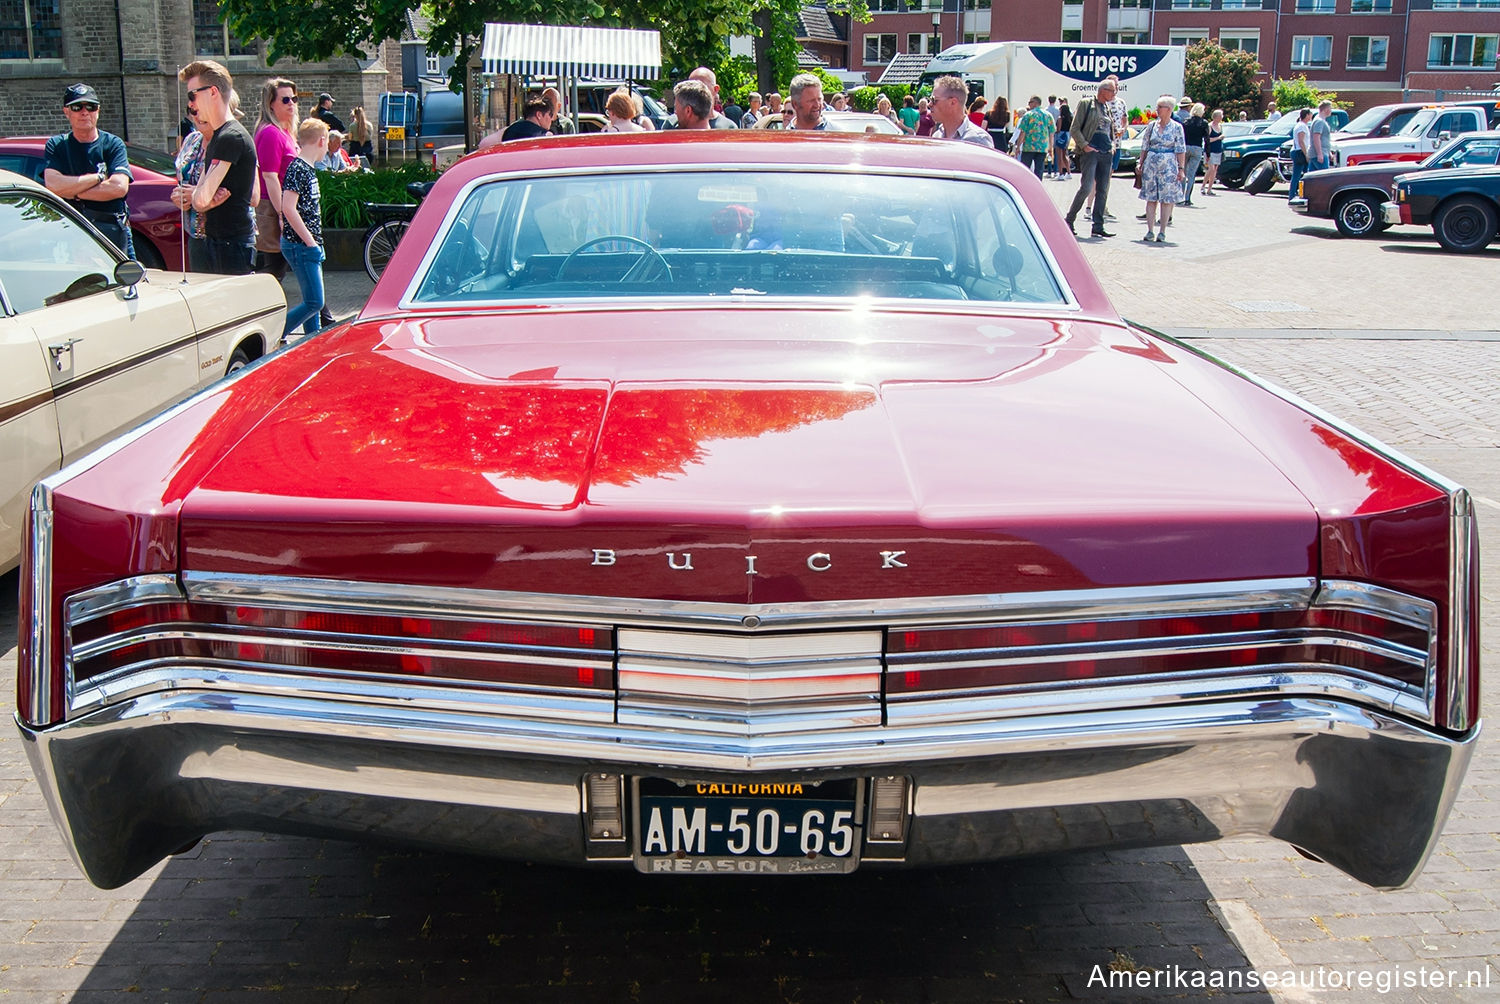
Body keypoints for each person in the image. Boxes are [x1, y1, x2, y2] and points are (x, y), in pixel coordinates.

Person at [175, 61, 258, 274]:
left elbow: (200, 200)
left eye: (193, 96)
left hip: (232, 246)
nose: (191, 105)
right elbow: (201, 198)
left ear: (213, 92)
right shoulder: (218, 137)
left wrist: (200, 198)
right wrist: (201, 197)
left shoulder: (231, 137)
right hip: (217, 242)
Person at [43, 83, 135, 258]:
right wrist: (99, 177)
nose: (85, 112)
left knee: (126, 282)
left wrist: (73, 192)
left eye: (91, 107)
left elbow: (118, 187)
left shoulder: (113, 144)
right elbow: (53, 185)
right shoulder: (57, 146)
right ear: (66, 112)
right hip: (72, 231)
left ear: (98, 110)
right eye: (77, 107)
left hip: (111, 230)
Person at [280, 117, 328, 339]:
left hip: (306, 244)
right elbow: (288, 208)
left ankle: (313, 342)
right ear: (322, 140)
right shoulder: (299, 168)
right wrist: (310, 242)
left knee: (313, 304)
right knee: (314, 301)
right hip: (301, 245)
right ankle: (277, 335)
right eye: (326, 142)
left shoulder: (305, 168)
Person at [253, 77, 297, 281]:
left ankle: (322, 312)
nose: (292, 104)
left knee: (284, 266)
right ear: (271, 103)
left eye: (294, 99)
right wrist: (282, 213)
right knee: (277, 267)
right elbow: (269, 176)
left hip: (284, 205)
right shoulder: (271, 133)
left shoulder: (284, 131)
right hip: (273, 206)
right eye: (285, 100)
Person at [1064, 79, 1117, 238]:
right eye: (1112, 91)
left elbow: (1110, 130)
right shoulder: (1087, 103)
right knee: (1087, 187)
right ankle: (1069, 219)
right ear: (1103, 90)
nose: (1114, 94)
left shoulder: (1107, 107)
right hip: (1090, 152)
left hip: (1106, 152)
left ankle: (1098, 226)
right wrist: (1085, 145)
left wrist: (1113, 145)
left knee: (1103, 190)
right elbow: (1074, 128)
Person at [1138, 96, 1187, 243]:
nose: (1157, 110)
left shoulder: (1177, 127)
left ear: (1169, 110)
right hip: (1151, 166)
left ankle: (1162, 231)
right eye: (1157, 106)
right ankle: (1150, 230)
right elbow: (1145, 146)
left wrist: (1181, 168)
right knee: (1151, 198)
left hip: (1169, 166)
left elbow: (1180, 149)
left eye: (1161, 107)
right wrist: (1140, 163)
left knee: (1166, 199)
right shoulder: (1152, 126)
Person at [174, 105, 212, 271]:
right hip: (194, 231)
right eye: (194, 111)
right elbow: (182, 177)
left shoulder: (229, 140)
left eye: (204, 109)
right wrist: (180, 196)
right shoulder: (191, 140)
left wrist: (196, 195)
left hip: (222, 233)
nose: (198, 116)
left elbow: (250, 196)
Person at [1012, 96, 1054, 179]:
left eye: (1030, 102)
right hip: (1042, 146)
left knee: (1026, 168)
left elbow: (1022, 132)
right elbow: (1051, 132)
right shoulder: (1048, 115)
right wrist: (1050, 147)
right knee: (1039, 169)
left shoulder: (1028, 115)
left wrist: (1018, 146)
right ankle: (1038, 187)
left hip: (1029, 146)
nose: (1029, 104)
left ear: (1035, 103)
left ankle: (1026, 185)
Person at [1179, 102, 1208, 206]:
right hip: (1197, 148)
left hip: (1186, 147)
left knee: (1182, 172)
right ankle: (1187, 198)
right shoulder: (1203, 123)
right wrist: (1207, 154)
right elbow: (1207, 139)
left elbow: (1181, 137)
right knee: (1191, 175)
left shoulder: (1186, 122)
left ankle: (1180, 196)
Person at [1288, 107, 1313, 202]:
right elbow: (1301, 141)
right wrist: (1306, 154)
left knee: (1298, 175)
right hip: (1300, 152)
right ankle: (1294, 195)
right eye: (1310, 114)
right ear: (1306, 115)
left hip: (1297, 151)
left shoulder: (1301, 125)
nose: (1311, 116)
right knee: (1302, 175)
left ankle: (1295, 194)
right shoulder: (1301, 126)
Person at [1201, 108, 1225, 195]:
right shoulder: (1210, 126)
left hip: (1218, 150)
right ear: (1216, 117)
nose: (1222, 117)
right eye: (1220, 116)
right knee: (1210, 169)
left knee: (1215, 170)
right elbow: (1207, 140)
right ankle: (1203, 186)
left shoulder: (1220, 126)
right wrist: (1218, 138)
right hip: (1210, 150)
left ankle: (1209, 189)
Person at [1309, 100, 1334, 173]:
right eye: (1330, 108)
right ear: (1326, 109)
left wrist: (1329, 153)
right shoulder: (1319, 121)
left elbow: (1324, 138)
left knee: (1312, 178)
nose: (1331, 111)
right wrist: (1320, 154)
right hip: (1319, 154)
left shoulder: (1321, 120)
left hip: (1320, 153)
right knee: (1324, 177)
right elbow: (1316, 137)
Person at [1054, 98, 1072, 178]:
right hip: (1067, 135)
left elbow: (1058, 130)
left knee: (1059, 155)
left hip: (1060, 136)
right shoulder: (1070, 118)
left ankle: (1061, 173)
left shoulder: (1060, 118)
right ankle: (1068, 172)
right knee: (1065, 154)